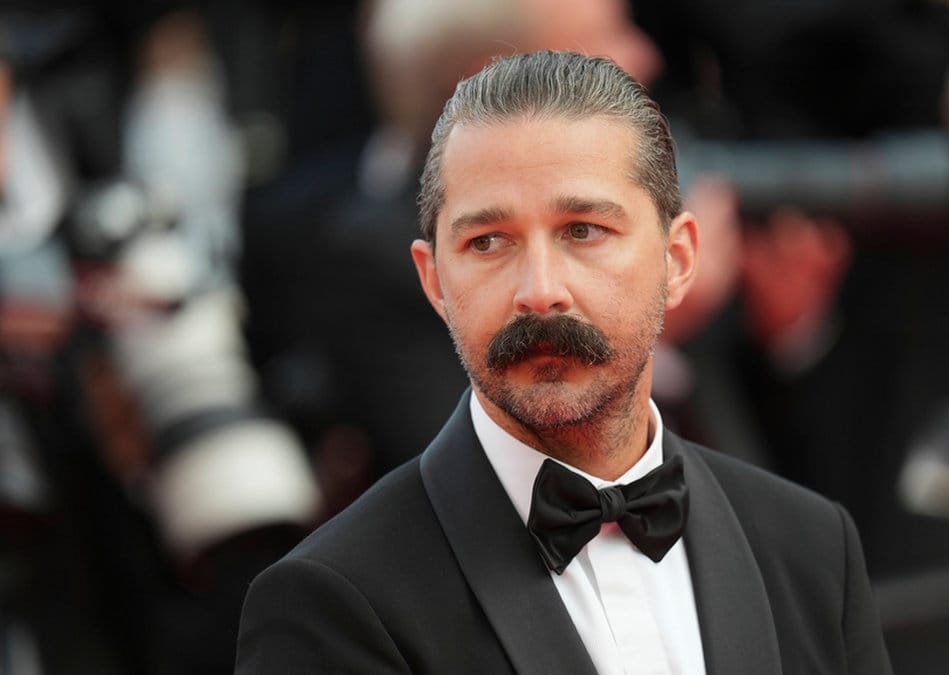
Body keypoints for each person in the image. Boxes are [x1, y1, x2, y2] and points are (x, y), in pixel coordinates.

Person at [235, 50, 891, 674]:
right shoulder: (334, 601)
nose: (539, 289)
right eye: (488, 242)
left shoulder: (813, 548)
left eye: (583, 230)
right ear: (435, 282)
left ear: (678, 259)